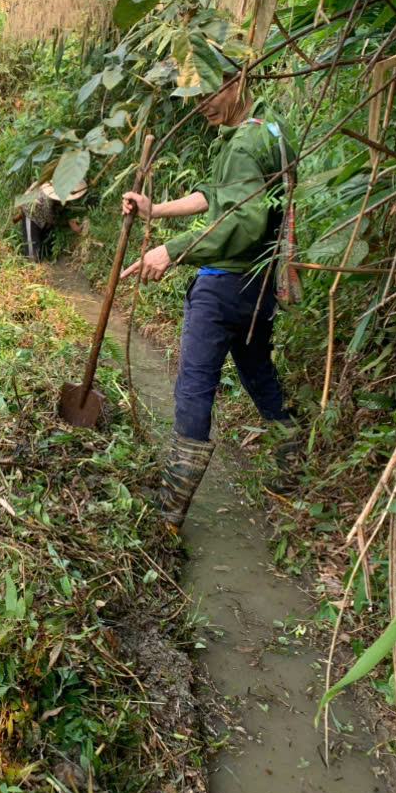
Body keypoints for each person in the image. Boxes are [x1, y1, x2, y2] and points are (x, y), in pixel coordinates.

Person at [121, 78, 299, 529]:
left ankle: (170, 511)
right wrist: (153, 209)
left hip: (222, 287)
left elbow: (243, 220)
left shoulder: (242, 145)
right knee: (257, 372)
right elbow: (216, 197)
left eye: (208, 96)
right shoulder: (267, 129)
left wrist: (172, 250)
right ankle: (294, 464)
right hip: (260, 287)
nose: (201, 107)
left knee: (193, 387)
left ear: (235, 82)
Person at [14, 180, 87, 260]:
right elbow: (50, 218)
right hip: (31, 215)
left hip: (43, 218)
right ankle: (32, 264)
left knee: (41, 242)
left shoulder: (61, 195)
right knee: (32, 249)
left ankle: (41, 258)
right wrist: (68, 223)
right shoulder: (48, 199)